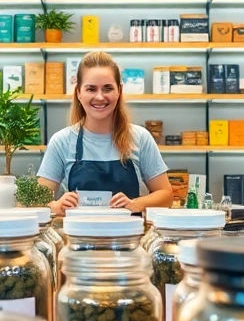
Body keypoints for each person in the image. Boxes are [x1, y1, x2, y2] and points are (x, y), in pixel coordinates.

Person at [37, 51, 173, 216]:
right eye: (91, 89)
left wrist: (136, 204)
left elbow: (166, 195)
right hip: (78, 238)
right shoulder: (62, 141)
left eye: (108, 88)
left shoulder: (140, 138)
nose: (100, 97)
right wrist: (56, 206)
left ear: (119, 91)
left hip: (129, 239)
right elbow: (37, 200)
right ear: (78, 93)